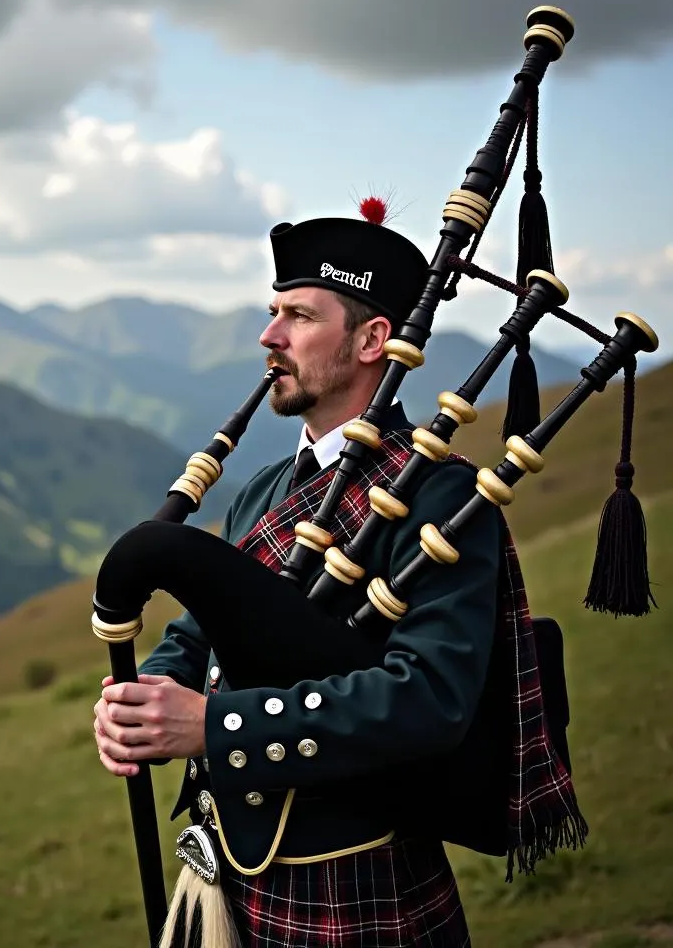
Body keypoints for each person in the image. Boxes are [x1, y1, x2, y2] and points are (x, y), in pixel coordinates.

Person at [92, 208, 585, 947]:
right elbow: (199, 632)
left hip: (362, 889)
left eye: (297, 316)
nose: (269, 336)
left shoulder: (444, 497)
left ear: (372, 340)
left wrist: (213, 726)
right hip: (233, 877)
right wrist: (144, 698)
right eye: (272, 312)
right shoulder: (262, 490)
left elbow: (427, 698)